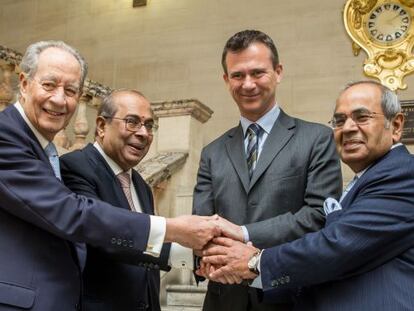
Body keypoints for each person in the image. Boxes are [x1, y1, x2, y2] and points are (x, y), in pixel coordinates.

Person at [0, 40, 219, 311]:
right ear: (23, 83)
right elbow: (75, 216)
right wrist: (173, 229)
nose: (60, 99)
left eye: (70, 90)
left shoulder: (136, 182)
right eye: (49, 85)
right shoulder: (7, 136)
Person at [202, 80, 414, 311]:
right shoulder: (368, 177)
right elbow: (339, 266)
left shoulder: (404, 174)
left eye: (362, 117)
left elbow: (339, 245)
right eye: (340, 121)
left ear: (395, 126)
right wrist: (243, 271)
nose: (349, 128)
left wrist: (255, 262)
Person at [193, 29, 342, 311]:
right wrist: (215, 257)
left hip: (290, 294)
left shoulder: (317, 139)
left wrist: (244, 233)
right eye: (237, 75)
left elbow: (317, 215)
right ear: (226, 80)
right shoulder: (212, 152)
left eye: (258, 73)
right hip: (224, 298)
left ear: (278, 72)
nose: (247, 84)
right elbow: (203, 224)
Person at [60, 89, 193, 310]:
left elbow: (145, 248)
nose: (143, 133)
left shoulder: (141, 184)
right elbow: (104, 236)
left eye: (149, 125)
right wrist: (184, 247)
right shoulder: (75, 167)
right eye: (132, 122)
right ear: (102, 126)